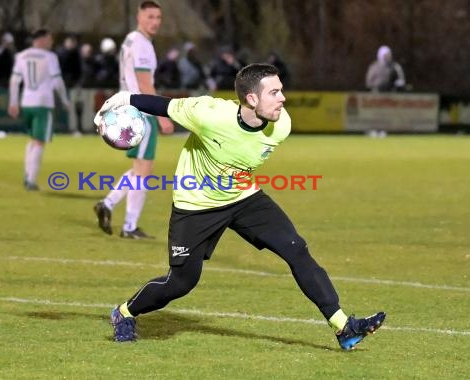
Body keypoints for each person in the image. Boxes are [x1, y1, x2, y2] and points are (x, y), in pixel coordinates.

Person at [94, 63, 386, 350]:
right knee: (181, 283)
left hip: (243, 197)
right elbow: (164, 106)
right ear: (251, 98)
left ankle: (343, 327)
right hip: (195, 204)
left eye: (281, 90)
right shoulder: (208, 114)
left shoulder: (281, 125)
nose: (283, 98)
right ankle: (125, 312)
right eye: (274, 92)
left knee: (296, 248)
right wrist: (123, 99)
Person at [94, 1, 173, 239]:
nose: (155, 22)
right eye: (150, 17)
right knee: (144, 171)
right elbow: (144, 82)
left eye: (158, 17)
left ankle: (107, 204)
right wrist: (162, 115)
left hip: (126, 111)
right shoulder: (142, 45)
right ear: (139, 17)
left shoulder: (130, 40)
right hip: (142, 113)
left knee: (139, 168)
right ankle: (129, 227)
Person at [8, 29, 70, 191]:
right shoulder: (50, 57)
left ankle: (27, 175)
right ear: (40, 40)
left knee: (32, 139)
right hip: (43, 103)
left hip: (26, 102)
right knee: (39, 141)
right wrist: (64, 99)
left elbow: (15, 81)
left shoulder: (21, 56)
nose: (51, 43)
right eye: (49, 39)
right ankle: (31, 180)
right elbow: (57, 81)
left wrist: (13, 102)